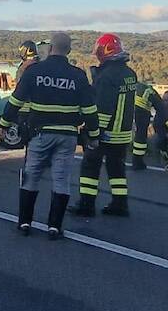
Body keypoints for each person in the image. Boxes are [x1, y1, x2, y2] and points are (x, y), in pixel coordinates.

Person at [0, 33, 99, 239]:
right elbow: (89, 110)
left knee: (31, 176)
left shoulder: (35, 71)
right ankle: (54, 227)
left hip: (40, 134)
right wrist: (94, 135)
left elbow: (16, 101)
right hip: (67, 136)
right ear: (69, 51)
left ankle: (25, 223)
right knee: (61, 179)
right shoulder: (78, 75)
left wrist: (3, 124)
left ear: (51, 48)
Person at [70, 33, 137, 217]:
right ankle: (120, 204)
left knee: (90, 166)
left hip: (107, 132)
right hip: (123, 133)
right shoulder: (129, 73)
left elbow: (104, 109)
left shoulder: (107, 76)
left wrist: (94, 133)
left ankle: (86, 205)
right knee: (116, 169)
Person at [132, 82, 168, 170]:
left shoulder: (131, 86)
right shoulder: (152, 93)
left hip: (124, 106)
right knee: (140, 136)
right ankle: (137, 162)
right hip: (141, 110)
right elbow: (164, 112)